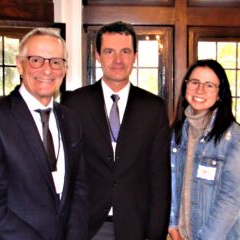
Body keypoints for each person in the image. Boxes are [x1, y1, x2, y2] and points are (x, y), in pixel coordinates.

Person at [0, 28, 88, 240]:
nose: (47, 70)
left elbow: (79, 188)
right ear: (19, 64)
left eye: (56, 61)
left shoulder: (72, 120)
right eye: (36, 60)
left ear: (65, 69)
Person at [61, 21, 171, 240]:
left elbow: (159, 177)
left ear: (135, 56)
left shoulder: (153, 107)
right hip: (87, 224)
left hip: (136, 224)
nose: (118, 60)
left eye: (125, 51)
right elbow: (67, 170)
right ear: (98, 56)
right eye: (109, 51)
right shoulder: (74, 103)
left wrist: (156, 232)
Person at [168, 59, 240, 240]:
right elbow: (170, 182)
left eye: (209, 85)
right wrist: (173, 226)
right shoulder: (175, 133)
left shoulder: (234, 138)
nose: (200, 90)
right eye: (194, 82)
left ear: (220, 93)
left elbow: (231, 200)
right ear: (185, 87)